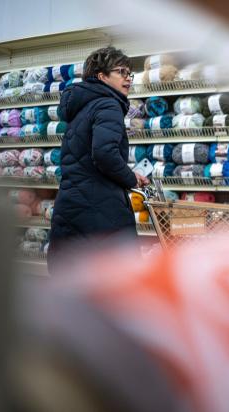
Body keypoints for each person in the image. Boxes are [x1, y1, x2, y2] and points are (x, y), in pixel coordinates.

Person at [48, 46, 149, 272]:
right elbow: (104, 154)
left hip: (71, 204)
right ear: (102, 77)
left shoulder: (83, 106)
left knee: (75, 281)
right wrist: (130, 179)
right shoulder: (108, 104)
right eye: (120, 72)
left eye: (129, 73)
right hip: (100, 209)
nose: (128, 78)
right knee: (114, 283)